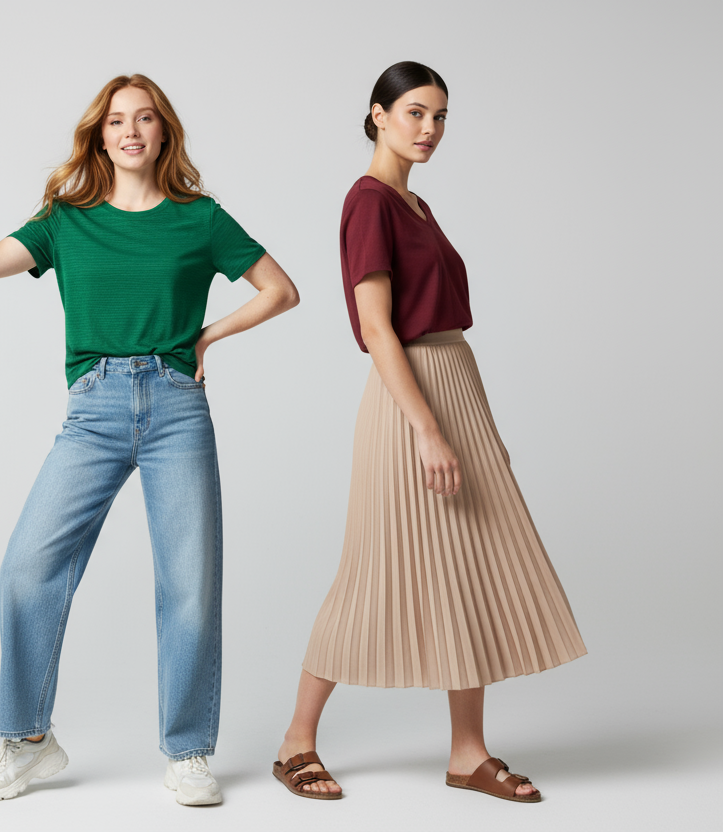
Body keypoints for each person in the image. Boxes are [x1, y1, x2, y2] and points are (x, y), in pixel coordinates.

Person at [0, 74, 298, 806]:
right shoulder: (68, 220)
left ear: (164, 132)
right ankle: (29, 742)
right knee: (26, 568)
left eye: (146, 119)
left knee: (189, 585)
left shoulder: (199, 218)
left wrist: (207, 338)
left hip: (175, 406)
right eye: (118, 120)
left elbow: (280, 290)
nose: (132, 131)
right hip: (93, 407)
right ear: (100, 135)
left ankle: (189, 752)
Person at [274, 61, 586, 804]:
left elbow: (439, 327)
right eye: (415, 113)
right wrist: (427, 430)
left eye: (441, 117)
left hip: (454, 391)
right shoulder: (369, 203)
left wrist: (471, 428)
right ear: (377, 115)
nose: (429, 129)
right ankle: (295, 744)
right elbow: (379, 330)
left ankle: (468, 754)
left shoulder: (416, 206)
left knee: (470, 563)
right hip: (409, 400)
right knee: (370, 572)